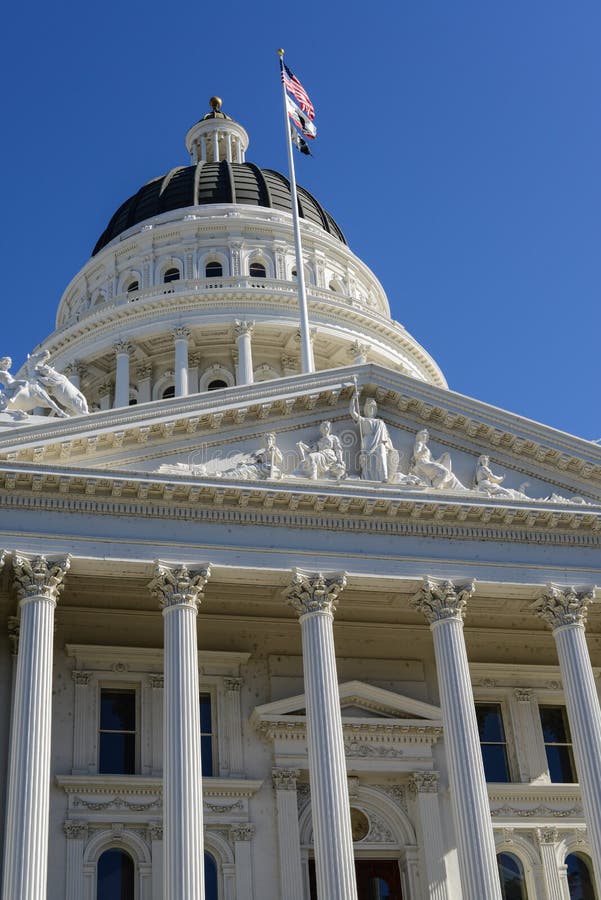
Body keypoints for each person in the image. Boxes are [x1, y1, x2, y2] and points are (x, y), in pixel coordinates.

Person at [349, 394, 398, 482]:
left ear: (375, 410)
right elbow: (353, 412)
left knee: (382, 456)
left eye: (373, 408)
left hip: (379, 442)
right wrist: (353, 399)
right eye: (369, 408)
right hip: (368, 442)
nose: (371, 410)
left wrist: (390, 447)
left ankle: (384, 477)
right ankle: (367, 477)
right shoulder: (363, 420)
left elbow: (386, 437)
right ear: (366, 409)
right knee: (368, 463)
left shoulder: (380, 422)